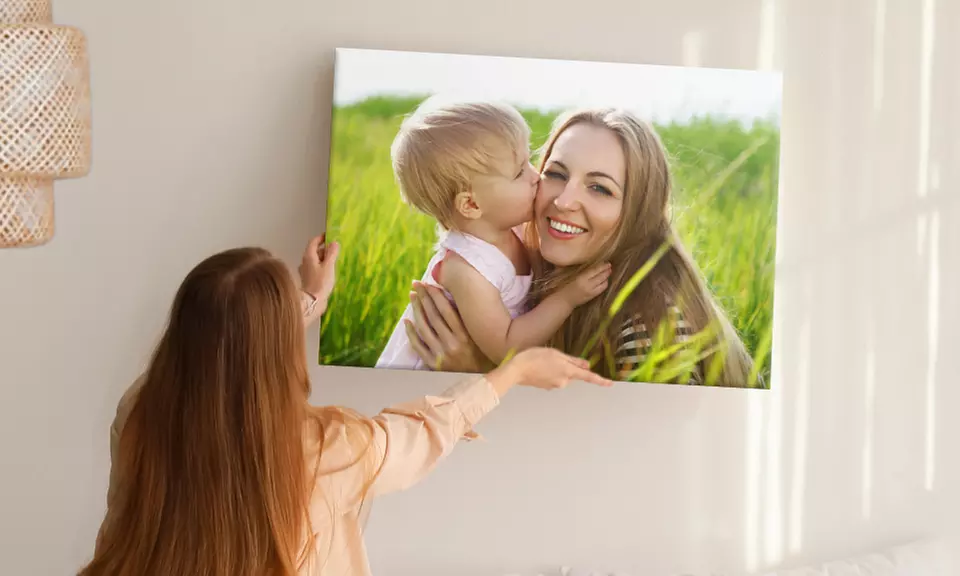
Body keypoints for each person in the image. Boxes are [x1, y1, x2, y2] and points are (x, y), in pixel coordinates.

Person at [77, 234, 611, 576]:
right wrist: (511, 371)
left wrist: (307, 303)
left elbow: (219, 354)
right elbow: (423, 430)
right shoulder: (325, 449)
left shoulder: (141, 410)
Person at [405, 107, 756, 388]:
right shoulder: (512, 260)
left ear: (638, 212)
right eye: (556, 174)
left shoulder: (647, 330)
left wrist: (479, 372)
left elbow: (628, 461)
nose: (564, 200)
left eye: (600, 189)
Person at [376, 97, 611, 370]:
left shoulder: (510, 226)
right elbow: (506, 348)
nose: (537, 176)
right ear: (472, 204)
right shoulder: (468, 269)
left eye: (529, 161)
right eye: (519, 172)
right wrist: (566, 298)